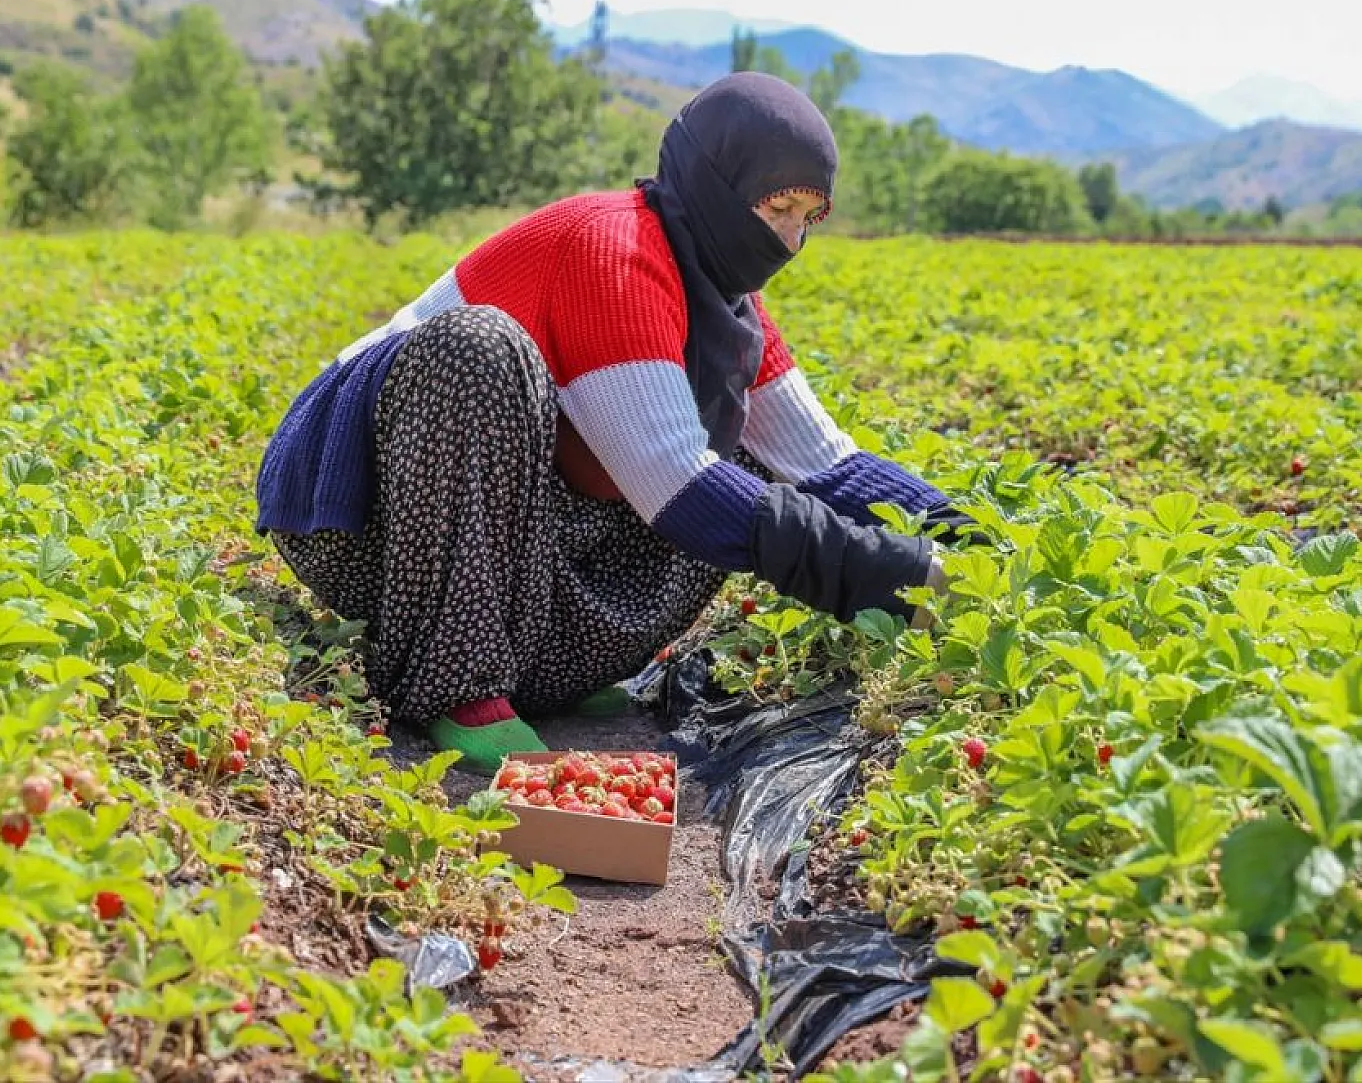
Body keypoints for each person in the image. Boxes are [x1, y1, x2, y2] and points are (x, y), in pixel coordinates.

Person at [255, 72, 970, 772]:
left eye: (808, 218)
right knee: (479, 351)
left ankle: (547, 668)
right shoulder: (614, 249)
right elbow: (677, 485)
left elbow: (827, 466)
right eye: (777, 206)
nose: (788, 242)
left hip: (493, 541)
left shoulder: (728, 308)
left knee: (749, 458)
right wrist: (892, 578)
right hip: (367, 517)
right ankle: (458, 681)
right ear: (716, 181)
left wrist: (977, 540)